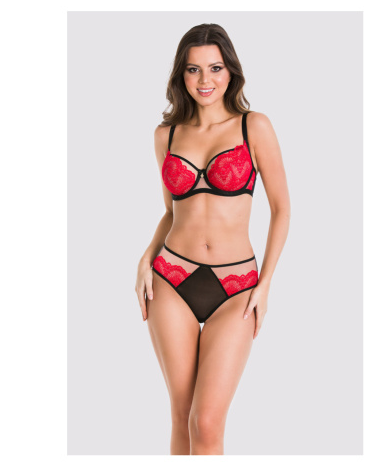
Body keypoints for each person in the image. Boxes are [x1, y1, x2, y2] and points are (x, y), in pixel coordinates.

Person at [135, 23, 290, 455]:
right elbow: (172, 212)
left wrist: (266, 284)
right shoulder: (165, 135)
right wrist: (145, 260)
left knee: (205, 423)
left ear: (230, 71)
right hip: (170, 278)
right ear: (181, 75)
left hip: (236, 286)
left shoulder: (253, 127)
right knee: (181, 415)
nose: (205, 80)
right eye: (193, 69)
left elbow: (282, 209)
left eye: (215, 68)